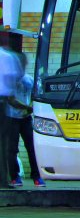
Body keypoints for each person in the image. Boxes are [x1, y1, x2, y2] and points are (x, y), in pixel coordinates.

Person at [6, 52, 45, 187]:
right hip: (12, 118)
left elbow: (35, 96)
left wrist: (31, 107)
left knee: (32, 147)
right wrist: (28, 107)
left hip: (26, 119)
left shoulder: (29, 80)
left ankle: (37, 177)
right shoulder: (9, 80)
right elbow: (10, 100)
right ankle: (15, 177)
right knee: (12, 149)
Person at [0, 47, 22, 188]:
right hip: (2, 103)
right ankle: (2, 180)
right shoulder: (6, 57)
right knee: (3, 144)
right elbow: (13, 79)